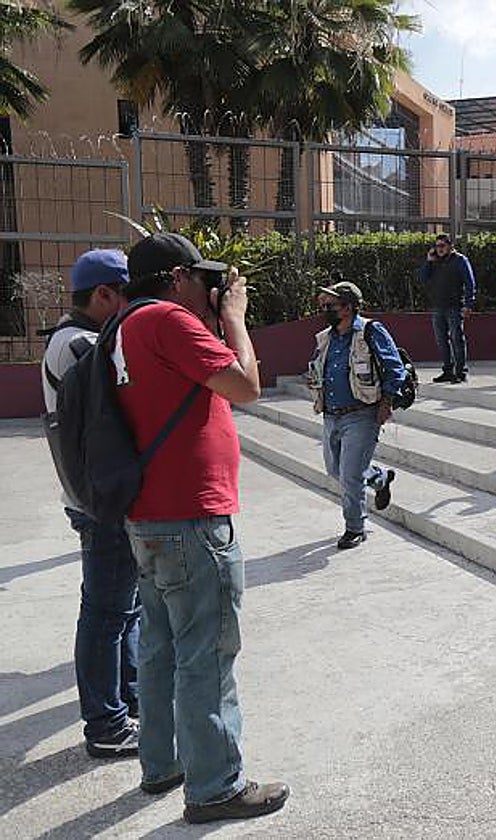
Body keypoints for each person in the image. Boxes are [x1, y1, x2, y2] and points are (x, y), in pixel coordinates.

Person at [115, 232, 288, 824]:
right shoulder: (168, 320)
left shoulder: (127, 322)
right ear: (175, 278)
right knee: (207, 654)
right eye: (199, 276)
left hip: (150, 517)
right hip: (191, 516)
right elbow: (246, 385)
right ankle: (215, 786)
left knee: (162, 648)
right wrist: (235, 319)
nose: (210, 288)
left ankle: (162, 762)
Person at [42, 250, 140, 759]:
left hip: (98, 495)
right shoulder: (79, 344)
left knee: (125, 609)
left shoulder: (76, 338)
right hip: (100, 502)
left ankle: (128, 699)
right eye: (127, 295)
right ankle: (106, 723)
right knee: (106, 613)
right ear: (104, 295)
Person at [307, 280, 409, 548]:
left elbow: (395, 369)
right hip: (331, 414)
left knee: (350, 475)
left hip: (362, 414)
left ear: (348, 307)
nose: (325, 309)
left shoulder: (370, 331)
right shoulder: (326, 337)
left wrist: (386, 403)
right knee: (335, 470)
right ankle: (379, 477)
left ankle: (355, 527)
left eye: (331, 305)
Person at [418, 233, 475, 383]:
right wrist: (429, 262)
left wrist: (469, 304)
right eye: (437, 246)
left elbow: (470, 283)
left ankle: (460, 371)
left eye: (442, 246)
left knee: (457, 339)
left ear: (450, 246)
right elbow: (423, 278)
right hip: (438, 306)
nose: (439, 249)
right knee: (441, 340)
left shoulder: (460, 260)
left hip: (454, 306)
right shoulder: (434, 261)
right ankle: (447, 370)